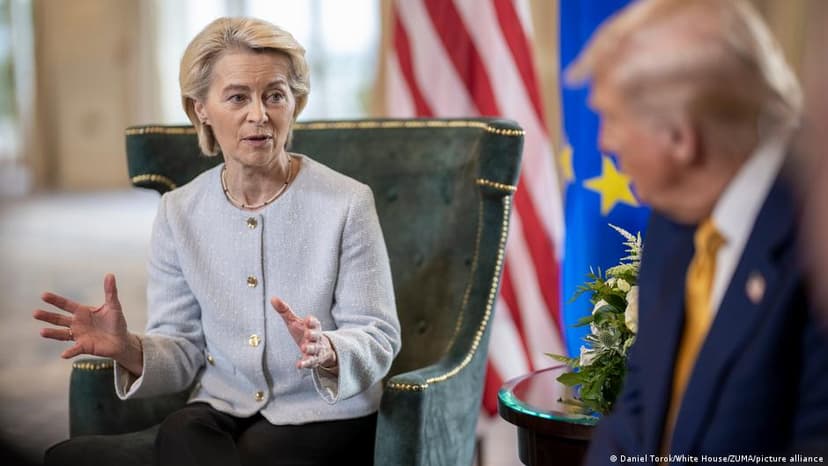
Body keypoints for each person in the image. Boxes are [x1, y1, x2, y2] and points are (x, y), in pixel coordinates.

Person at [33, 17, 400, 466]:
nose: (259, 115)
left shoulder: (347, 202)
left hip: (326, 409)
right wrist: (128, 348)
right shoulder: (179, 211)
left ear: (295, 103)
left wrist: (329, 350)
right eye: (238, 97)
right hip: (223, 404)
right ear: (201, 108)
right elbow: (182, 346)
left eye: (275, 96)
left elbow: (378, 335)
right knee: (182, 429)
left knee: (250, 451)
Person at [565, 0, 828, 463]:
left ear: (680, 138)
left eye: (612, 118)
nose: (604, 142)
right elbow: (636, 415)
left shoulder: (812, 238)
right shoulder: (676, 215)